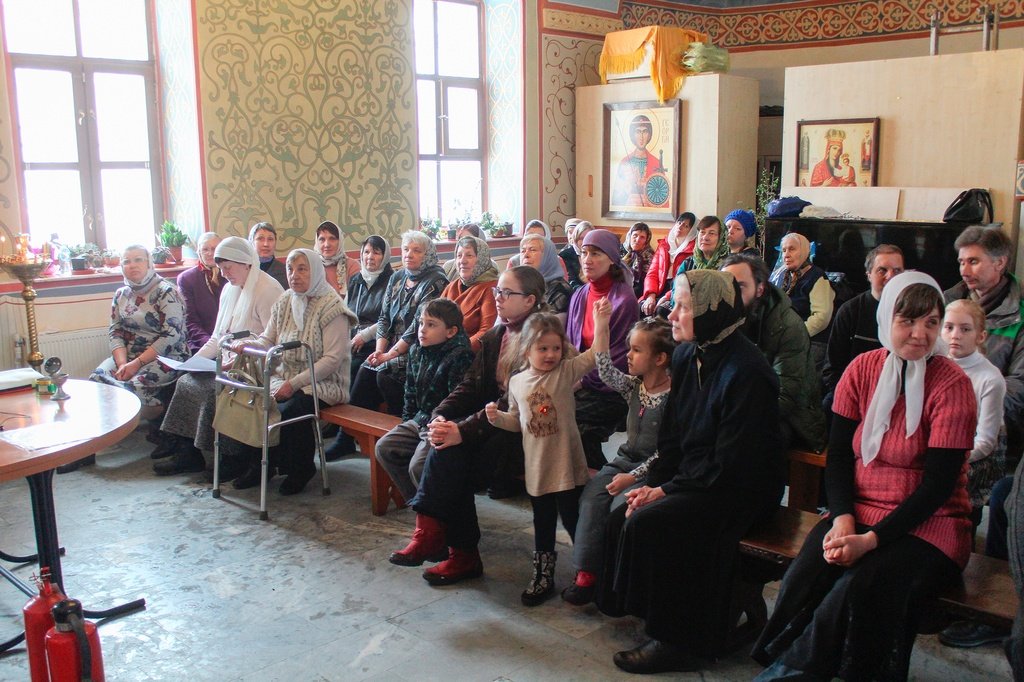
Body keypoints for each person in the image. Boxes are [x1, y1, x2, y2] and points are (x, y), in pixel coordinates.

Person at [752, 272, 978, 681]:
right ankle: (790, 661)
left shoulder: (952, 385)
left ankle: (795, 673)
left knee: (862, 585)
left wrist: (870, 540)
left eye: (931, 322)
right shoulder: (862, 369)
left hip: (932, 525)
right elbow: (838, 455)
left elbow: (938, 487)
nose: (920, 333)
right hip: (858, 509)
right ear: (886, 319)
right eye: (907, 320)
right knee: (807, 571)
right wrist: (842, 520)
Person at [597, 270, 784, 674]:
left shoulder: (748, 372)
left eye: (684, 306)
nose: (672, 313)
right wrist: (657, 481)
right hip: (698, 476)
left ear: (713, 311)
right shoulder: (686, 354)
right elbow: (674, 438)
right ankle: (652, 615)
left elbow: (733, 461)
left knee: (657, 523)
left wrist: (665, 492)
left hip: (738, 490)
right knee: (620, 514)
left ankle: (677, 640)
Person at [386, 266, 546, 584]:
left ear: (529, 301)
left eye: (505, 292)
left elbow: (514, 403)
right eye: (497, 290)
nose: (496, 297)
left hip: (527, 433)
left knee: (450, 456)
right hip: (492, 424)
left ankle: (449, 545)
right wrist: (440, 416)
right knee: (446, 447)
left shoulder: (542, 339)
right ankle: (444, 543)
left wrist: (463, 430)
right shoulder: (498, 334)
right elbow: (470, 387)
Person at [486, 309, 603, 605]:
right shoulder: (517, 382)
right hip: (538, 469)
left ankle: (587, 573)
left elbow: (595, 354)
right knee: (543, 522)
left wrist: (601, 322)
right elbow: (517, 420)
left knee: (574, 519)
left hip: (567, 465)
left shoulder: (564, 373)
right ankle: (543, 576)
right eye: (543, 348)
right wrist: (496, 418)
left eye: (556, 348)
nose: (551, 355)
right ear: (527, 350)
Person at [563, 315, 674, 607]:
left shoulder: (673, 397)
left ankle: (616, 581)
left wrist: (634, 477)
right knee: (591, 497)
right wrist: (601, 325)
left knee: (618, 508)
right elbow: (604, 370)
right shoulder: (633, 386)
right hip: (625, 460)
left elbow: (667, 451)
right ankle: (586, 574)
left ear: (660, 358)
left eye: (637, 350)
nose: (629, 356)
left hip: (652, 471)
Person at [152, 237, 284, 476]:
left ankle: (232, 458)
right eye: (221, 269)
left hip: (258, 366)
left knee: (212, 390)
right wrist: (192, 362)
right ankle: (188, 453)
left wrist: (239, 359)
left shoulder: (268, 290)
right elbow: (217, 337)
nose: (224, 274)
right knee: (185, 382)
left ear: (246, 263)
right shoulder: (229, 290)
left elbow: (274, 341)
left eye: (228, 268)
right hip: (229, 362)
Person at [230, 248, 356, 494]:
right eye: (290, 269)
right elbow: (268, 339)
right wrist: (248, 345)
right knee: (252, 400)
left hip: (324, 382)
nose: (294, 275)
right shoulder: (285, 300)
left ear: (315, 271)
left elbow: (331, 360)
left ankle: (300, 468)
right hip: (284, 376)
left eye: (302, 269)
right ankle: (261, 466)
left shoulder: (332, 307)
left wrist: (295, 383)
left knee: (291, 408)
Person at [937, 299, 1009, 649]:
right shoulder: (934, 364)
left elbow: (986, 439)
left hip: (973, 462)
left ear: (981, 335)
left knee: (959, 525)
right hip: (936, 455)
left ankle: (959, 591)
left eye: (965, 329)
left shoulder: (988, 378)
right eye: (948, 327)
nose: (954, 336)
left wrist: (951, 456)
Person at [721, 253, 826, 451]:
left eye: (740, 286)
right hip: (738, 405)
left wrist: (731, 415)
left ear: (760, 289)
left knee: (750, 439)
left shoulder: (787, 325)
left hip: (792, 416)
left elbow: (784, 397)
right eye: (725, 284)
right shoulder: (721, 316)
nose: (730, 293)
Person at [374, 299, 474, 505]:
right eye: (421, 323)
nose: (422, 330)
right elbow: (410, 391)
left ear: (451, 331)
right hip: (420, 419)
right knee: (384, 447)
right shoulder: (416, 351)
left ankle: (437, 512)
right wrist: (406, 421)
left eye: (431, 325)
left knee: (418, 466)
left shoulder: (460, 356)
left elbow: (458, 402)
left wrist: (434, 426)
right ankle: (418, 504)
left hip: (443, 424)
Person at [944, 225, 1024, 467]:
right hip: (939, 419)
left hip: (993, 430)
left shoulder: (1020, 316)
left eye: (973, 262)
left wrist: (966, 403)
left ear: (1000, 263)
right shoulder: (946, 303)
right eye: (961, 262)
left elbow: (1020, 385)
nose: (964, 270)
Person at [346, 230, 448, 418]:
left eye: (416, 250)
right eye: (406, 249)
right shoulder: (398, 277)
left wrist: (388, 355)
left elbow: (419, 325)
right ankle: (350, 434)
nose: (409, 254)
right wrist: (379, 351)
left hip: (419, 347)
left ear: (428, 255)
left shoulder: (436, 281)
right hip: (391, 346)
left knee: (384, 373)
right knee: (367, 367)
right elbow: (384, 317)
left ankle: (398, 425)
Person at [566, 229, 640, 470]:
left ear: (611, 259)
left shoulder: (623, 300)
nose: (587, 259)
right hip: (580, 378)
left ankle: (598, 480)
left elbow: (619, 359)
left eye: (595, 253)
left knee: (573, 423)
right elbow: (570, 346)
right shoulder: (579, 295)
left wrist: (579, 381)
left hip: (609, 387)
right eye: (584, 253)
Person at [90, 245, 188, 422]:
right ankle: (114, 430)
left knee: (133, 386)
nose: (132, 265)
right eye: (126, 261)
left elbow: (171, 336)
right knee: (97, 378)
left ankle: (159, 416)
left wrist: (136, 364)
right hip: (128, 356)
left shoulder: (166, 292)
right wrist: (122, 364)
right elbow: (115, 331)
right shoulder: (121, 294)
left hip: (166, 356)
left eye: (138, 260)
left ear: (149, 263)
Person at [822, 244, 904, 407]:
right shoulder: (850, 311)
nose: (890, 277)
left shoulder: (911, 314)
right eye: (882, 270)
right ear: (869, 275)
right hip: (854, 398)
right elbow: (832, 368)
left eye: (897, 271)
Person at [770, 232, 835, 365]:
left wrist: (793, 335)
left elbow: (821, 318)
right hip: (784, 340)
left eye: (792, 249)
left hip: (811, 342)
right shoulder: (782, 275)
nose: (786, 255)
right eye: (784, 250)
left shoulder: (817, 277)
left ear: (805, 250)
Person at [346, 235, 395, 390]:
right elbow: (344, 312)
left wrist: (364, 335)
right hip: (352, 343)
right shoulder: (356, 280)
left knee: (353, 371)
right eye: (366, 252)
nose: (370, 257)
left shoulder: (393, 280)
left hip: (376, 343)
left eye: (376, 253)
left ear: (385, 256)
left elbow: (389, 318)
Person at [658, 216, 729, 314]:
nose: (705, 237)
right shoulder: (688, 263)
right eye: (702, 232)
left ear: (721, 237)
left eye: (711, 233)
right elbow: (677, 292)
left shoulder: (728, 265)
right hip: (685, 313)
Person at [440, 236, 498, 352]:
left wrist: (456, 353)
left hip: (469, 356)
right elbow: (434, 318)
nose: (462, 261)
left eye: (469, 255)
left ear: (481, 258)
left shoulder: (491, 288)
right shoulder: (452, 286)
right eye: (459, 255)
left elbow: (486, 332)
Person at [176, 232, 224, 355]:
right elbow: (190, 321)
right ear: (198, 252)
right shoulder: (187, 279)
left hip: (229, 340)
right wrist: (210, 345)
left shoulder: (231, 274)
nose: (210, 253)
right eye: (205, 249)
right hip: (201, 341)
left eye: (214, 249)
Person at [640, 211, 695, 315]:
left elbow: (685, 282)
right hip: (658, 287)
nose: (680, 226)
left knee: (661, 310)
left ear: (691, 231)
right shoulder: (664, 245)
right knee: (641, 307)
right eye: (679, 223)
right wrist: (650, 295)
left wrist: (667, 297)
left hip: (675, 290)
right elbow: (652, 273)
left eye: (686, 225)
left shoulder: (692, 251)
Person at [613, 115, 664, 207]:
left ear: (649, 135)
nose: (641, 137)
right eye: (638, 132)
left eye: (644, 132)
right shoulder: (625, 162)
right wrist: (627, 188)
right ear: (632, 135)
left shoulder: (657, 163)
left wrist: (649, 189)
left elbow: (663, 195)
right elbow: (616, 197)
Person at [518, 234, 571, 318]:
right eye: (523, 251)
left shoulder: (560, 289)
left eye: (532, 250)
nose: (526, 255)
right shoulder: (519, 283)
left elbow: (545, 325)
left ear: (548, 256)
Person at [314, 220, 360, 298]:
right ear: (316, 242)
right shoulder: (312, 265)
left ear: (340, 241)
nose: (327, 244)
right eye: (322, 239)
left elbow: (356, 298)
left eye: (332, 238)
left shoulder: (352, 266)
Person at [248, 222, 289, 290]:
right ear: (251, 241)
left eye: (270, 239)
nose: (266, 244)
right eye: (260, 239)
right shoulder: (244, 269)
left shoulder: (285, 271)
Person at [622, 222, 654, 298]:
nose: (637, 240)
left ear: (646, 240)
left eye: (642, 237)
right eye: (635, 235)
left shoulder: (649, 256)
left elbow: (644, 283)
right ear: (630, 236)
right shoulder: (620, 250)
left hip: (638, 289)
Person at [560, 220, 593, 290]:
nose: (585, 241)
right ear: (576, 239)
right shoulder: (565, 255)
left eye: (588, 237)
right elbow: (570, 282)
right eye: (581, 238)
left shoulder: (597, 254)